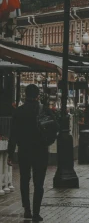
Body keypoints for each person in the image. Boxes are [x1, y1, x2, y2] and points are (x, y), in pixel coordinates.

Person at [7, 84, 55, 222]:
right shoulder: (44, 110)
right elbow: (55, 128)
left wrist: (10, 153)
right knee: (38, 183)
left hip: (24, 151)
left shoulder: (19, 111)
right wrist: (47, 142)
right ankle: (36, 212)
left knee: (24, 179)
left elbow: (13, 134)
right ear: (37, 96)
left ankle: (26, 209)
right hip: (40, 151)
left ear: (25, 95)